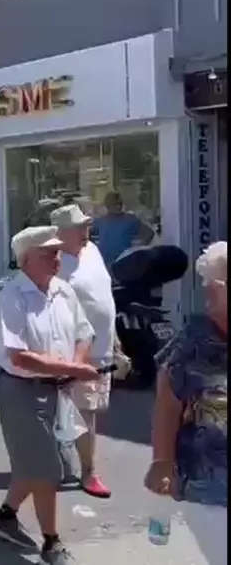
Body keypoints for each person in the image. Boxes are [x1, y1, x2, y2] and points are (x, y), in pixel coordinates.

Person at [0, 226, 102, 565]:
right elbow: (19, 356)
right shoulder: (11, 296)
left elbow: (84, 333)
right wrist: (72, 371)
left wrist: (74, 367)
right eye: (48, 254)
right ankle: (52, 542)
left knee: (32, 462)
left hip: (57, 389)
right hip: (22, 390)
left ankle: (5, 517)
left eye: (57, 252)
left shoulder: (63, 291)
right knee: (47, 469)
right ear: (25, 260)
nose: (57, 258)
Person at [145, 241, 226, 565]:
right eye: (206, 282)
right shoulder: (196, 337)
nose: (206, 289)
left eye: (213, 283)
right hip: (208, 480)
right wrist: (162, 461)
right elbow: (167, 397)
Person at [51, 204, 115, 499]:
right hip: (76, 351)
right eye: (79, 227)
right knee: (84, 412)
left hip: (103, 347)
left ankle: (60, 460)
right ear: (60, 233)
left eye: (86, 225)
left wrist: (116, 344)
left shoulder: (93, 252)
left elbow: (105, 299)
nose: (85, 231)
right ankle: (89, 473)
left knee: (84, 411)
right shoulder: (54, 261)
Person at [91, 191, 153, 266]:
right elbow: (86, 235)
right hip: (105, 263)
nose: (118, 206)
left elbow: (149, 233)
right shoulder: (100, 221)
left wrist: (137, 250)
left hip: (124, 262)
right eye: (115, 204)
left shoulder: (130, 219)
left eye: (120, 203)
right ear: (108, 205)